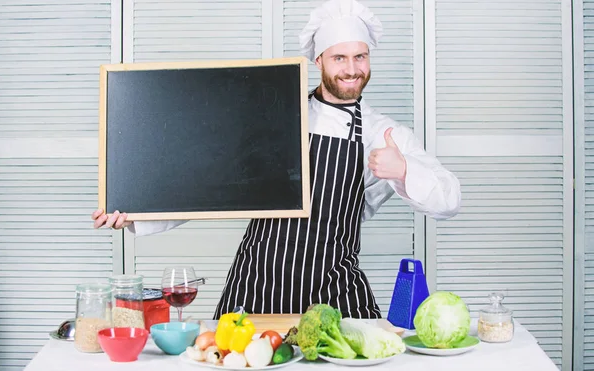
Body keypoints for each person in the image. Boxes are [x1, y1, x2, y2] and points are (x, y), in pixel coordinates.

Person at [92, 0, 461, 320]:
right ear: (319, 59)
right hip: (256, 285)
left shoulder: (384, 133)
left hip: (334, 290)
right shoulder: (276, 114)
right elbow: (211, 187)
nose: (351, 69)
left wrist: (405, 170)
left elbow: (449, 199)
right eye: (339, 57)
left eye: (359, 56)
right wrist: (135, 212)